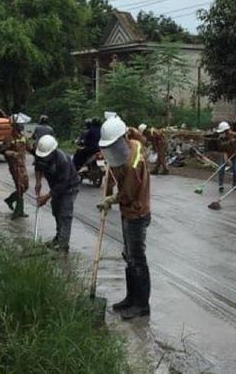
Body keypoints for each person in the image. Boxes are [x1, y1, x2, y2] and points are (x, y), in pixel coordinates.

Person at [97, 116, 151, 320]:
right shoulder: (134, 144)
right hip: (131, 211)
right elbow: (136, 136)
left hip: (136, 213)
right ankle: (131, 298)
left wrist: (110, 199)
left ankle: (141, 305)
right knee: (129, 257)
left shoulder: (131, 165)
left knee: (137, 259)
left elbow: (127, 195)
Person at [35, 134, 81, 252]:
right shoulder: (41, 155)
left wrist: (46, 196)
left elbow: (63, 183)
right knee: (56, 211)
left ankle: (63, 245)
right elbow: (38, 167)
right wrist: (38, 182)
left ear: (53, 151)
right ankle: (58, 237)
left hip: (69, 187)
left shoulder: (62, 160)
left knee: (65, 214)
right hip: (55, 186)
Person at [1, 114, 30, 219]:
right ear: (14, 125)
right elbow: (4, 151)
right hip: (14, 166)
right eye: (20, 124)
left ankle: (10, 200)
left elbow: (30, 148)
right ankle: (19, 211)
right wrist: (13, 154)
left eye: (22, 124)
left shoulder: (23, 136)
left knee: (25, 186)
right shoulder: (9, 137)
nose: (22, 126)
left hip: (22, 165)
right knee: (20, 187)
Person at [215, 121, 236, 193]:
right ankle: (221, 185)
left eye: (224, 132)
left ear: (227, 131)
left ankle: (234, 184)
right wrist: (226, 160)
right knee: (221, 168)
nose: (222, 133)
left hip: (235, 154)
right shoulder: (220, 139)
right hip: (225, 155)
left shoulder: (235, 135)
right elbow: (222, 151)